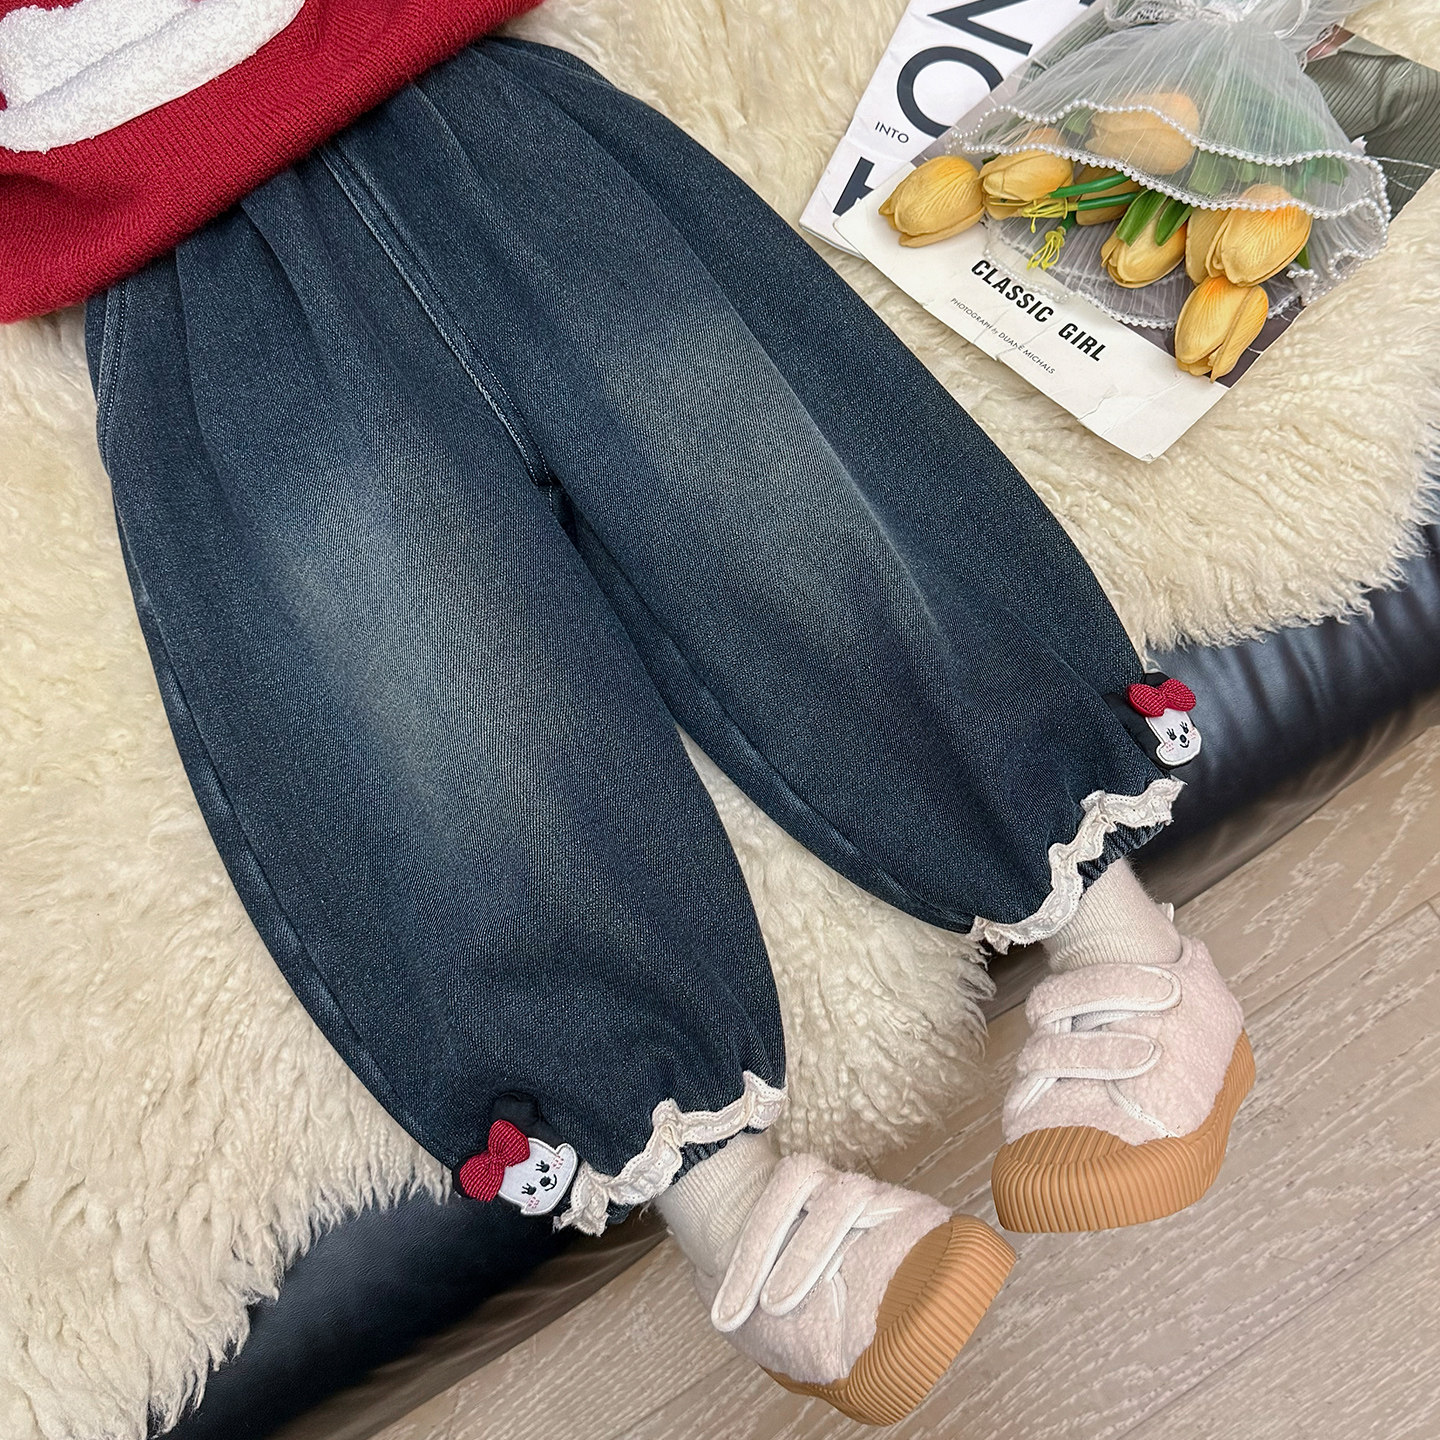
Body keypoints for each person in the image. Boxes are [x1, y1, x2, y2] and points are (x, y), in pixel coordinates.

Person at [2, 2, 1250, 1424]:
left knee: (767, 483)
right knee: (422, 697)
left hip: (451, 88)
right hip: (173, 259)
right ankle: (724, 1199)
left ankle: (1119, 936)